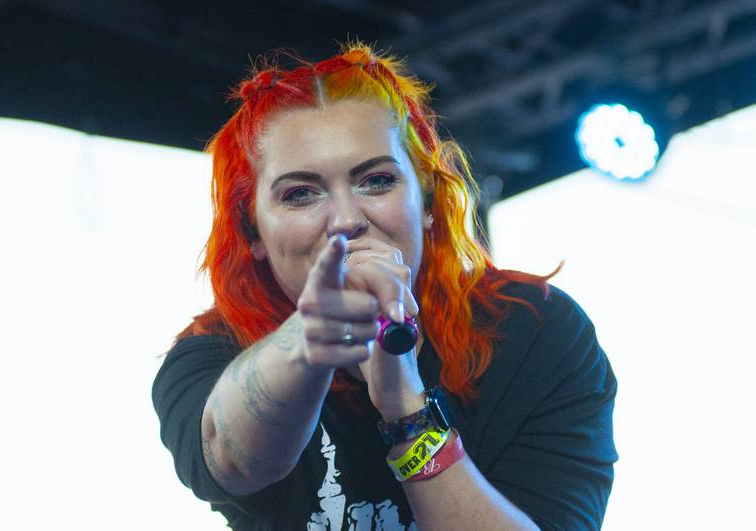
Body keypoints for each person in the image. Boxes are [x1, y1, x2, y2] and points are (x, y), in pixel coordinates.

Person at [152, 42, 617, 530]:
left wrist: (406, 406)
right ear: (253, 235)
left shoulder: (534, 333)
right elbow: (231, 457)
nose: (346, 220)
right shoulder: (213, 355)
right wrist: (315, 334)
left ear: (429, 203)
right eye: (300, 194)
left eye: (375, 181)